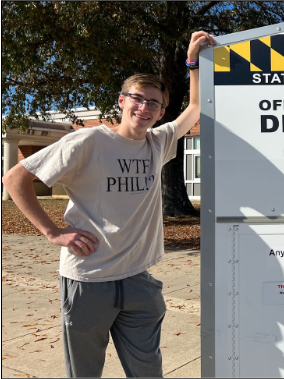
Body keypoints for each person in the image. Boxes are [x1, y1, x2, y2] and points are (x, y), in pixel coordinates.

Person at [2, 31, 216, 377]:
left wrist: (193, 63)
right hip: (89, 280)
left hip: (139, 282)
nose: (144, 108)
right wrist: (53, 231)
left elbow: (194, 107)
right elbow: (14, 179)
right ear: (121, 101)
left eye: (154, 103)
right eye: (138, 99)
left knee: (148, 372)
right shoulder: (86, 142)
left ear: (161, 112)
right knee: (85, 373)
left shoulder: (158, 143)